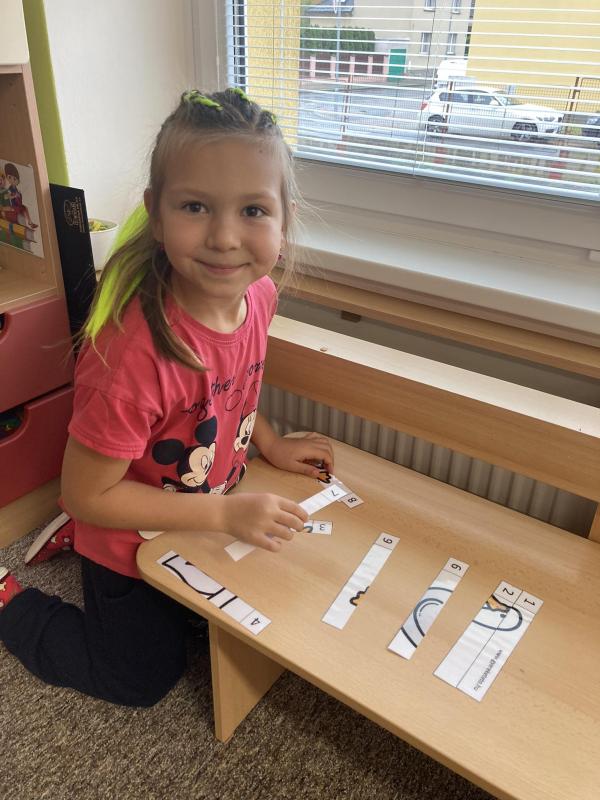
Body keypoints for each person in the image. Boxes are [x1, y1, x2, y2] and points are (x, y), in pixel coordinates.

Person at [0, 88, 334, 707]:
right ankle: (12, 603)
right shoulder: (133, 355)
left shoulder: (258, 296)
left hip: (200, 506)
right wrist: (224, 516)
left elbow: (235, 389)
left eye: (253, 210)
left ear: (283, 221)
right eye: (196, 206)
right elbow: (88, 493)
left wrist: (269, 443)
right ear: (156, 214)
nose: (225, 237)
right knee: (139, 680)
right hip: (126, 528)